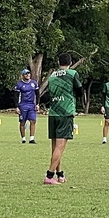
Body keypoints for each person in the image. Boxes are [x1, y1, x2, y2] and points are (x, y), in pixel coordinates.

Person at [44, 53, 83, 185]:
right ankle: (49, 176)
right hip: (65, 113)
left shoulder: (52, 75)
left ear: (58, 62)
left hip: (53, 113)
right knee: (60, 147)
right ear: (70, 62)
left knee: (55, 147)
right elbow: (79, 91)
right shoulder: (72, 74)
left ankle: (59, 174)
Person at [16, 69, 39, 144]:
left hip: (31, 105)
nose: (28, 75)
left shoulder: (34, 83)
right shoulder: (19, 84)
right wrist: (17, 106)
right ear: (23, 75)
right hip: (23, 105)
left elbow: (37, 94)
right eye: (26, 74)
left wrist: (37, 104)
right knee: (22, 122)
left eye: (29, 73)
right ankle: (23, 138)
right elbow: (15, 96)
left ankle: (32, 138)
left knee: (33, 121)